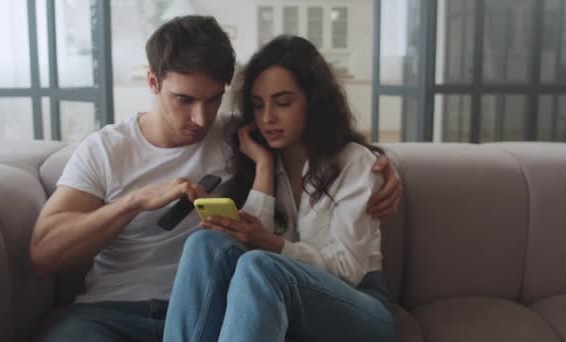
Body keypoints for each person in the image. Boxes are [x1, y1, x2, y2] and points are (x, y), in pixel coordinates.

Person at [31, 16, 400, 342]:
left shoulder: (239, 138)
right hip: (111, 311)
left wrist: (382, 165)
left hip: (210, 307)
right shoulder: (105, 150)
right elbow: (44, 253)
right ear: (153, 82)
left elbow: (329, 146)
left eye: (213, 100)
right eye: (184, 99)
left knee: (210, 243)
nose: (201, 119)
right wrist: (134, 202)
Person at [163, 35, 396, 342]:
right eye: (258, 106)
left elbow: (347, 271)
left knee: (260, 265)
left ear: (313, 101)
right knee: (204, 243)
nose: (268, 118)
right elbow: (249, 248)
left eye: (283, 103)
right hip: (281, 293)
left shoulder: (355, 164)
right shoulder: (267, 162)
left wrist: (272, 244)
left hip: (361, 306)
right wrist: (264, 166)